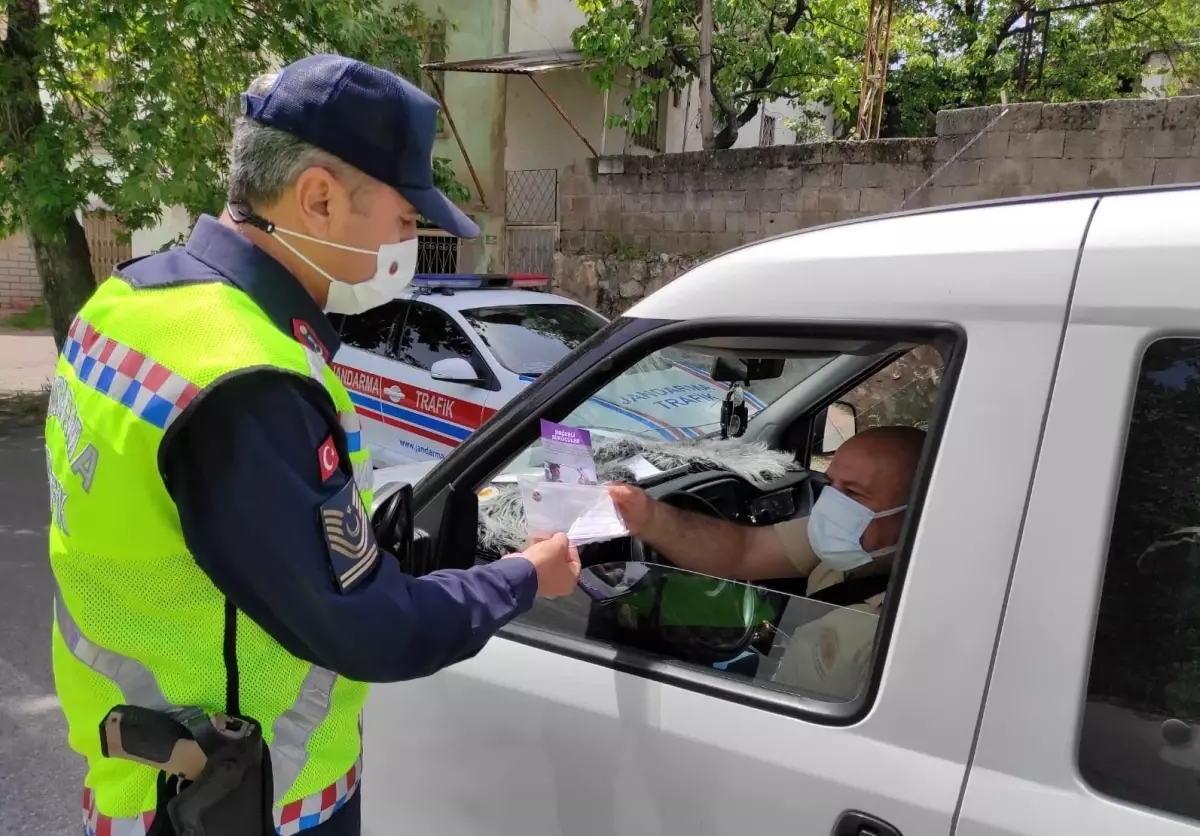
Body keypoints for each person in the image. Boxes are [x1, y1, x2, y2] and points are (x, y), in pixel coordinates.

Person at [45, 55, 579, 836]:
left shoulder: (133, 299)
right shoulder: (245, 377)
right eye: (406, 219)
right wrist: (523, 579)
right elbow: (365, 627)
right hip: (247, 802)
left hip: (142, 774)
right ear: (319, 197)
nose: (413, 241)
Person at [608, 426, 924, 697]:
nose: (832, 505)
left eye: (853, 494)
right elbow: (742, 550)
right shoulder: (844, 545)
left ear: (916, 514)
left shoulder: (915, 636)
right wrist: (649, 518)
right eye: (830, 486)